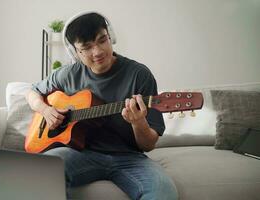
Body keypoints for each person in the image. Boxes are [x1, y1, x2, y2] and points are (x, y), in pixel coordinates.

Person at [25, 11, 178, 200]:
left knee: (164, 192)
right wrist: (46, 110)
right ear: (76, 52)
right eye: (87, 47)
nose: (97, 52)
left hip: (129, 158)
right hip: (79, 153)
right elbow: (32, 92)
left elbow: (148, 145)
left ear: (110, 37)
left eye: (102, 40)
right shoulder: (68, 74)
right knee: (39, 171)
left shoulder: (139, 74)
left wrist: (138, 123)